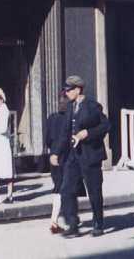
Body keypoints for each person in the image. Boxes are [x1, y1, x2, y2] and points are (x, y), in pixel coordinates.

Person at [50, 75, 110, 238]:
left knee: (94, 191)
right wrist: (56, 152)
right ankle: (73, 224)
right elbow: (64, 132)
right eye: (66, 90)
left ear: (78, 89)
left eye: (69, 90)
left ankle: (98, 223)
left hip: (90, 155)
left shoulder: (92, 106)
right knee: (66, 189)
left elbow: (105, 125)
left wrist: (87, 133)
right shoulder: (70, 107)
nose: (67, 93)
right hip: (73, 155)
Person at [45, 91, 86, 234]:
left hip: (54, 157)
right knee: (66, 189)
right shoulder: (71, 120)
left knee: (59, 187)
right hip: (67, 157)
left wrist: (53, 152)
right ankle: (57, 220)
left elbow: (48, 140)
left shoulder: (51, 118)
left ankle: (68, 218)